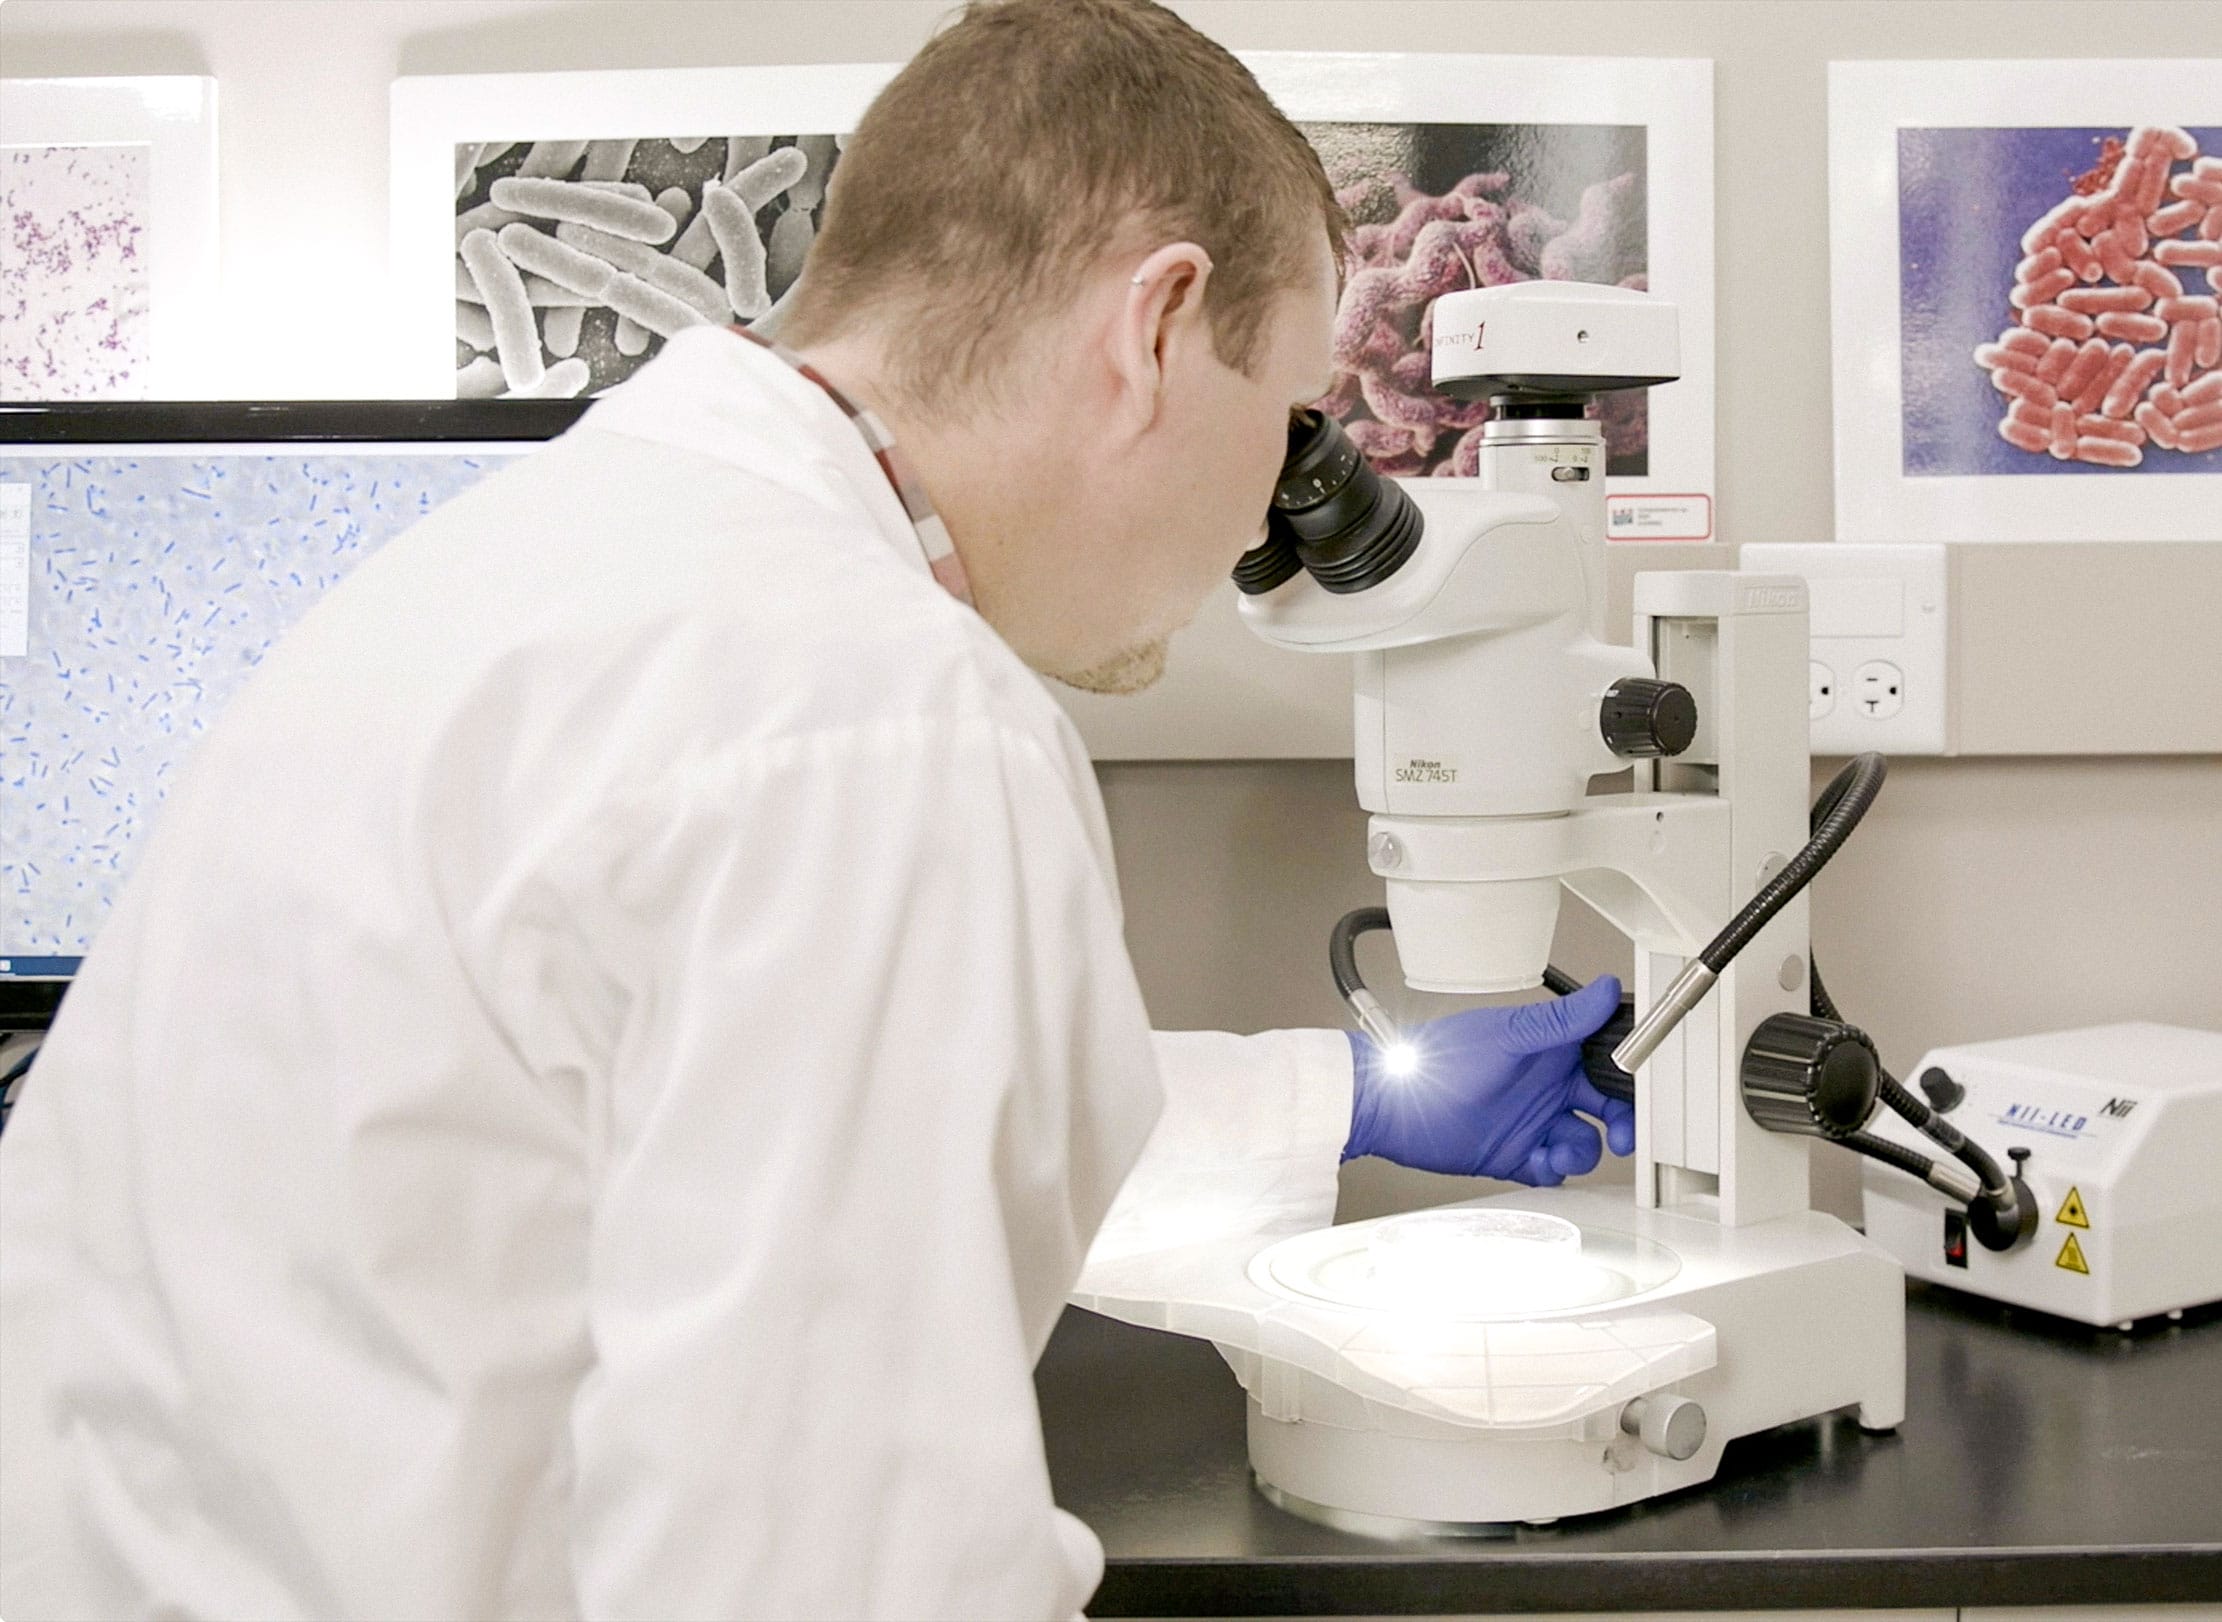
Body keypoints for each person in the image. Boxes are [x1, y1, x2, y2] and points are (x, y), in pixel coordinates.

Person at [0, 1, 1631, 1616]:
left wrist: (1333, 1093)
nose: (1263, 513)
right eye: (1286, 424)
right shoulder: (882, 715)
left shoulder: (542, 564)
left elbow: (655, 1135)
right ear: (1154, 325)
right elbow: (838, 1574)